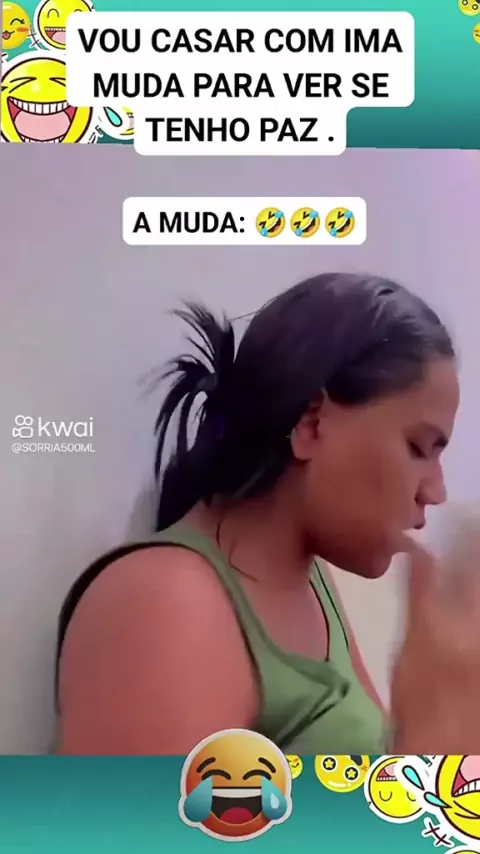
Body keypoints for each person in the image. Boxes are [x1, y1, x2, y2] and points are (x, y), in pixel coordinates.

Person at [56, 272, 470, 755]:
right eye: (419, 447)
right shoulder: (165, 600)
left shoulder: (313, 585)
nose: (435, 491)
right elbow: (152, 814)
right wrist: (439, 727)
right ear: (313, 423)